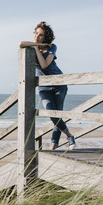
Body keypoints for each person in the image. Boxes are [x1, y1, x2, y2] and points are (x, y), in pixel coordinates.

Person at [19, 21, 76, 150]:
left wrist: (37, 49)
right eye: (36, 33)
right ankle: (69, 135)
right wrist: (36, 45)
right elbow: (20, 44)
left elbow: (45, 65)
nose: (37, 36)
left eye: (41, 35)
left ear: (46, 37)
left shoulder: (52, 47)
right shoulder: (32, 46)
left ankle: (53, 145)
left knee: (57, 114)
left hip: (59, 84)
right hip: (44, 87)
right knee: (51, 113)